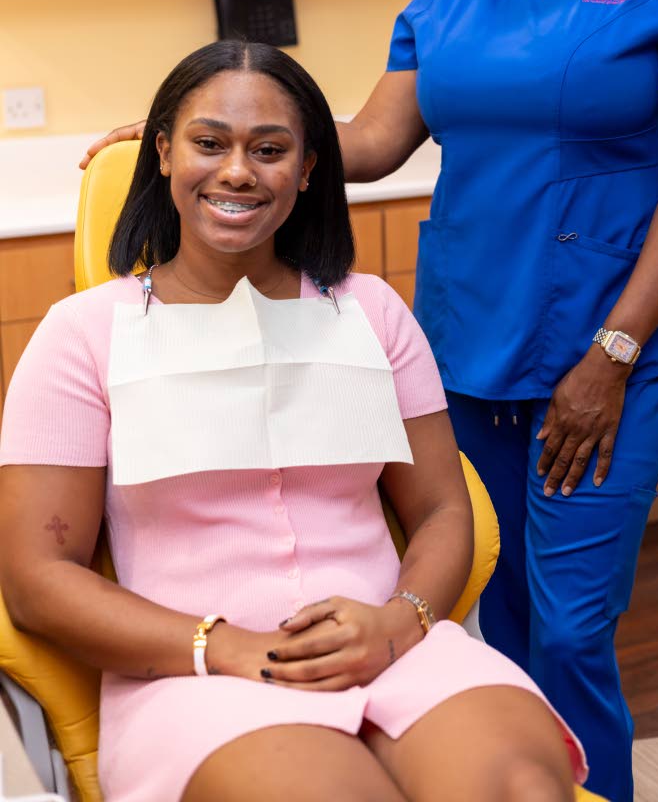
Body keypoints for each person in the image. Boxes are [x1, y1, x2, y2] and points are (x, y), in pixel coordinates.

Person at [79, 0, 658, 801]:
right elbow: (375, 139)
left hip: (600, 346)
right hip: (461, 342)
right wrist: (194, 137)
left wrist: (614, 352)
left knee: (573, 627)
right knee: (486, 610)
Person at [0, 40, 587, 802]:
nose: (238, 170)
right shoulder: (83, 335)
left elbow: (443, 507)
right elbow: (38, 577)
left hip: (393, 647)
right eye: (209, 143)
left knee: (520, 788)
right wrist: (228, 646)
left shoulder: (369, 311)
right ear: (164, 155)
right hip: (197, 677)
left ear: (308, 169)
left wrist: (398, 622)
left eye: (269, 149)